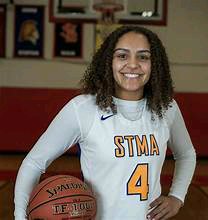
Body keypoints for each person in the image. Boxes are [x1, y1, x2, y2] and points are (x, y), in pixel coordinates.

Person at [14, 25, 196, 220]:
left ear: (155, 64)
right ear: (108, 61)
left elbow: (186, 154)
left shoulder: (166, 107)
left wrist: (177, 196)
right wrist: (20, 216)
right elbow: (33, 162)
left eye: (143, 56)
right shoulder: (83, 109)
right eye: (122, 56)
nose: (133, 64)